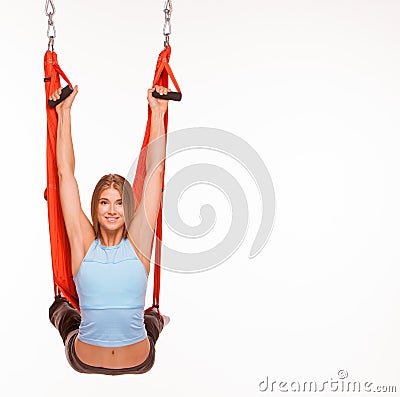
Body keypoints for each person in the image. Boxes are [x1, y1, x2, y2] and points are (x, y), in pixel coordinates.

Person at [48, 84, 171, 375]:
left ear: (129, 208)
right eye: (104, 202)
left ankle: (154, 318)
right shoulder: (83, 243)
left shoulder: (139, 242)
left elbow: (155, 172)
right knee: (62, 309)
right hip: (85, 358)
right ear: (96, 207)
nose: (112, 210)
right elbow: (65, 175)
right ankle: (155, 319)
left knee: (64, 313)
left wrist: (159, 112)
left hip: (137, 359)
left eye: (119, 203)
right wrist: (63, 114)